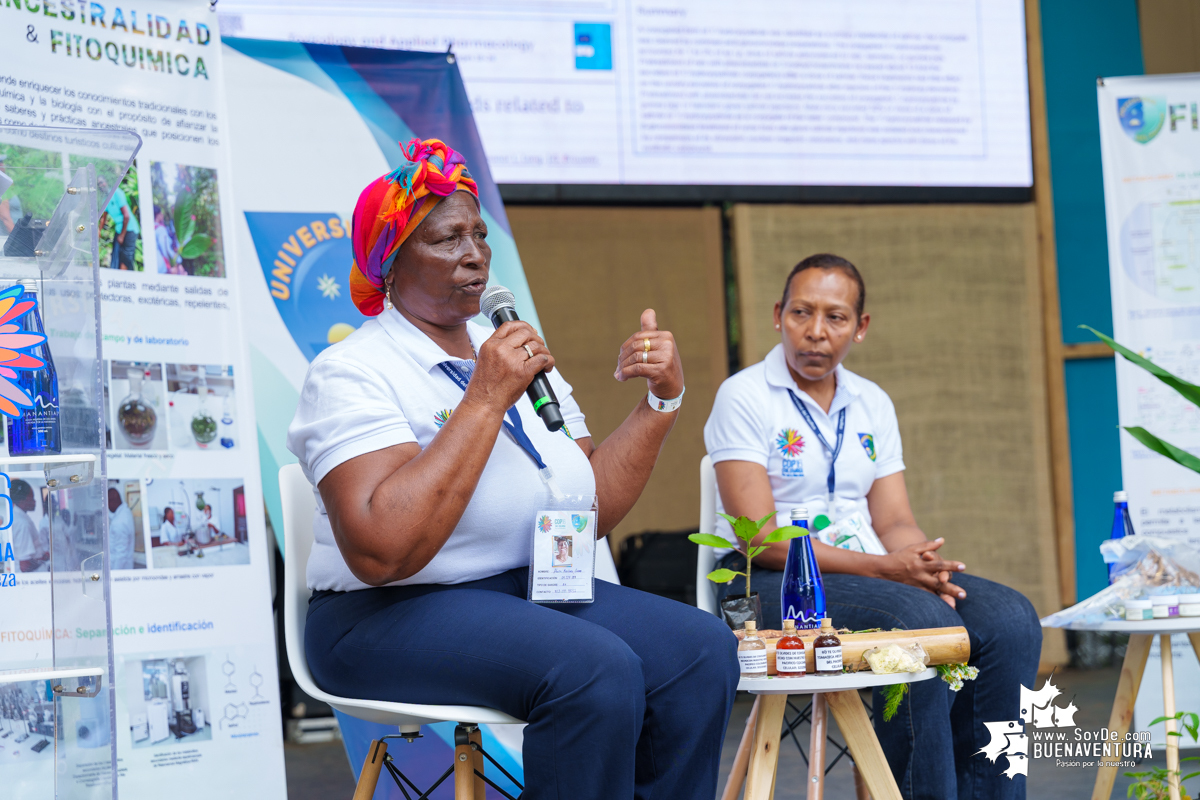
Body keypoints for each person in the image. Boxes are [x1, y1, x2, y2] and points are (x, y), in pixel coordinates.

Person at [287, 138, 738, 800]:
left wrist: (658, 403)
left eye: (478, 234)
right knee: (594, 668)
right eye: (446, 239)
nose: (473, 253)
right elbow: (381, 551)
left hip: (525, 590)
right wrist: (487, 397)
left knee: (700, 651)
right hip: (380, 616)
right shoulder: (353, 371)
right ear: (391, 262)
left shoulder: (509, 351)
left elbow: (587, 508)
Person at [704, 254, 1042, 800]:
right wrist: (891, 570)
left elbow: (895, 521)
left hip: (873, 571)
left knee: (1010, 618)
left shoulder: (871, 402)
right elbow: (759, 540)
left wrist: (922, 566)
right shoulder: (743, 395)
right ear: (777, 315)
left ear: (860, 327)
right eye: (801, 313)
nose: (815, 332)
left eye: (835, 318)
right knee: (920, 624)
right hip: (768, 584)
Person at [102, 175, 139, 270]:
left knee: (125, 259)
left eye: (102, 182)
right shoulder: (105, 199)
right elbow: (103, 218)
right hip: (119, 229)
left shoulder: (117, 193)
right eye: (99, 184)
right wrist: (98, 231)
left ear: (107, 182)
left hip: (130, 229)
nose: (101, 185)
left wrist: (122, 235)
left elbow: (126, 216)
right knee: (115, 256)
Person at [10, 480, 46, 572]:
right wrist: (45, 558)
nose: (35, 501)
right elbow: (25, 565)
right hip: (30, 578)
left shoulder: (17, 517)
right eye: (32, 497)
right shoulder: (22, 524)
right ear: (22, 500)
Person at [108, 486, 136, 570]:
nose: (107, 507)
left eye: (107, 503)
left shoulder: (119, 523)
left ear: (112, 501)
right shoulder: (126, 513)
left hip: (119, 570)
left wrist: (114, 577)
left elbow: (120, 556)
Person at [154, 205, 184, 274]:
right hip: (162, 267)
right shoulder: (160, 229)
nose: (162, 215)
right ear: (158, 215)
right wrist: (178, 261)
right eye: (161, 213)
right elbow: (166, 249)